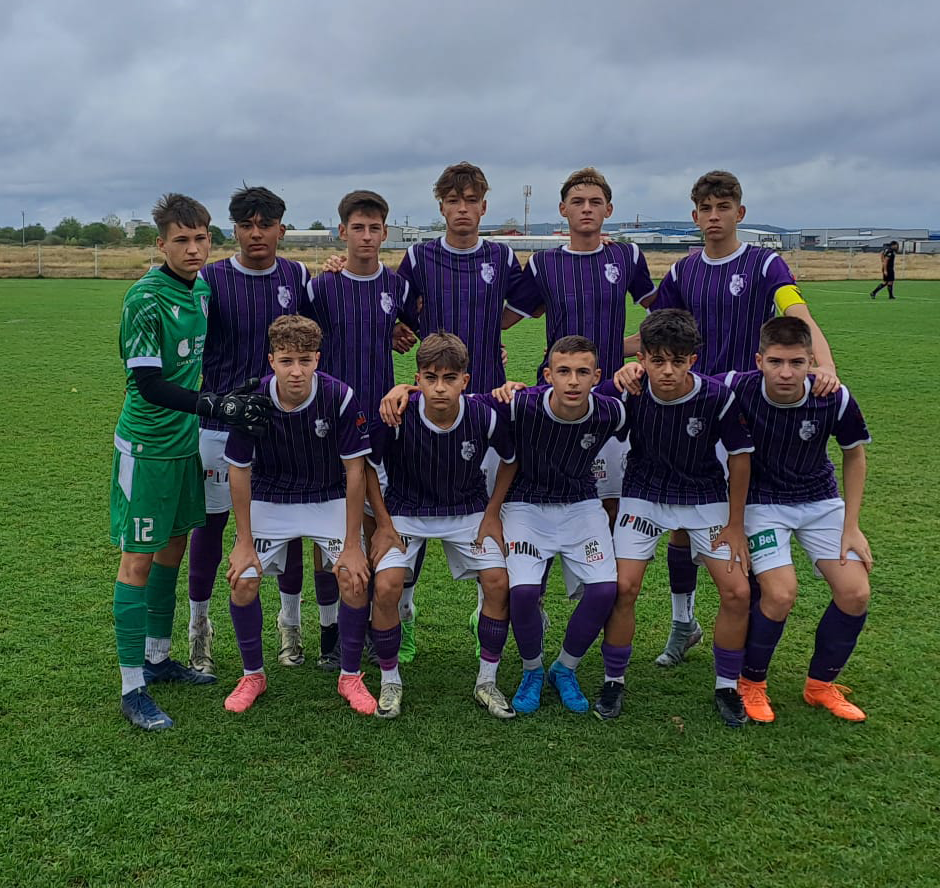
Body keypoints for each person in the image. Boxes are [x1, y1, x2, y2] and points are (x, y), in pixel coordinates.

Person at [325, 162, 534, 660]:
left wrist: (491, 330)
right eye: (453, 201)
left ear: (483, 206)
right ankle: (405, 613)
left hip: (484, 400)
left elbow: (530, 303)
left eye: (471, 200)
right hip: (428, 401)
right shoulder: (419, 256)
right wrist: (339, 267)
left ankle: (487, 606)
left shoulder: (502, 255)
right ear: (441, 207)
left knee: (489, 510)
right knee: (412, 506)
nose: (463, 209)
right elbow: (391, 305)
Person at [640, 170, 840, 670]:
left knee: (745, 518)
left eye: (723, 208)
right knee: (682, 523)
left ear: (739, 213)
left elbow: (798, 313)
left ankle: (747, 628)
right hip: (695, 408)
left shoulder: (764, 263)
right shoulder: (683, 271)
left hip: (750, 408)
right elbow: (653, 335)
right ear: (695, 217)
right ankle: (683, 623)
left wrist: (826, 364)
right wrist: (610, 358)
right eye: (706, 209)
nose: (714, 217)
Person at [111, 193, 271, 731]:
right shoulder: (144, 298)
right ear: (161, 244)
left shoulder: (201, 290)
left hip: (185, 441)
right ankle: (132, 686)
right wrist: (214, 405)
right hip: (148, 446)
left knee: (172, 549)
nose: (194, 248)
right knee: (138, 560)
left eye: (201, 238)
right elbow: (149, 384)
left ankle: (157, 658)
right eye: (181, 240)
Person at [344, 333, 515, 718]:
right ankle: (390, 681)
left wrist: (492, 513)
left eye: (450, 378)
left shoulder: (484, 415)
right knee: (386, 586)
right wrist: (383, 524)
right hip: (407, 511)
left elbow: (511, 459)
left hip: (467, 510)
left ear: (464, 381)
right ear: (417, 378)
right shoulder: (396, 415)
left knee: (497, 582)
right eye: (431, 377)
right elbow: (368, 466)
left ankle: (487, 681)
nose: (440, 387)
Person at [601, 310, 754, 726]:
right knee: (623, 588)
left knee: (737, 592)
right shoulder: (630, 390)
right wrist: (615, 377)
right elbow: (573, 397)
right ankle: (613, 680)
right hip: (644, 493)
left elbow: (740, 457)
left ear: (693, 361)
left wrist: (735, 524)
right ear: (642, 359)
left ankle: (727, 686)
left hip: (703, 496)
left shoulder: (717, 397)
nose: (667, 371)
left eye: (678, 361)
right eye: (657, 360)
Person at [188, 185, 310, 677]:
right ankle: (199, 628)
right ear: (234, 230)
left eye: (265, 225)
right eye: (246, 225)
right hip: (219, 427)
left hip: (283, 428)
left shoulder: (298, 276)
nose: (256, 234)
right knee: (210, 528)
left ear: (282, 229)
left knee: (289, 525)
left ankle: (290, 623)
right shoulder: (210, 280)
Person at [725, 317, 873, 723]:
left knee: (855, 592)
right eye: (776, 362)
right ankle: (751, 682)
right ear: (759, 361)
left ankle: (820, 685)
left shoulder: (833, 397)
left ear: (812, 361)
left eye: (796, 362)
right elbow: (685, 382)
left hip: (819, 499)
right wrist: (632, 371)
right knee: (780, 594)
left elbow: (854, 455)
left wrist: (851, 526)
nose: (786, 373)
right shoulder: (738, 386)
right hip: (762, 503)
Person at [223, 315, 371, 713]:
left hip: (327, 495)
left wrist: (353, 544)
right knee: (243, 580)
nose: (296, 371)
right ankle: (253, 675)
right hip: (270, 497)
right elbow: (239, 471)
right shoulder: (253, 401)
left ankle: (350, 676)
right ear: (271, 360)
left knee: (354, 579)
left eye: (305, 360)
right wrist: (243, 541)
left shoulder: (339, 396)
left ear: (317, 359)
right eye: (287, 360)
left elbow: (355, 471)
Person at [474, 336, 628, 715]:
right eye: (563, 372)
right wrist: (405, 391)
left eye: (582, 372)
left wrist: (637, 370)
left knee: (605, 590)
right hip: (526, 505)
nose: (573, 381)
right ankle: (532, 671)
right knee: (523, 592)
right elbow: (459, 401)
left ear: (597, 376)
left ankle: (565, 668)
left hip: (581, 504)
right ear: (548, 376)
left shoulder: (612, 412)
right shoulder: (520, 404)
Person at [502, 167, 655, 526]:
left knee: (611, 501)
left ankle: (603, 562)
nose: (587, 208)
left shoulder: (627, 257)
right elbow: (506, 318)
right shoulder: (543, 264)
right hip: (556, 394)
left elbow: (661, 313)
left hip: (613, 395)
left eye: (595, 202)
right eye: (578, 202)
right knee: (544, 491)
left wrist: (634, 351)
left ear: (608, 210)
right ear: (563, 209)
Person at [302, 190, 412, 671]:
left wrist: (401, 332)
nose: (366, 237)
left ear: (385, 233)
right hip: (328, 420)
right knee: (329, 528)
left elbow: (421, 334)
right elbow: (301, 343)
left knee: (372, 522)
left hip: (382, 419)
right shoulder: (321, 287)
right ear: (342, 232)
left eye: (374, 229)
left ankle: (370, 623)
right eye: (358, 228)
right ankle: (330, 628)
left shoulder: (397, 287)